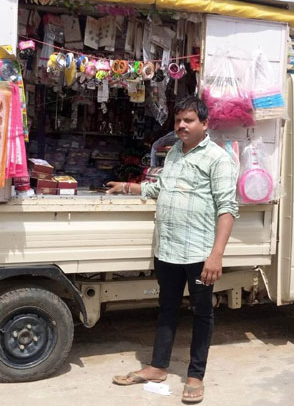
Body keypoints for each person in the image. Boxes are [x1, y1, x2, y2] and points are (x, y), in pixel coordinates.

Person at [108, 95, 238, 403]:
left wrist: (216, 254)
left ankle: (195, 375)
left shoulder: (217, 159)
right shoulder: (175, 153)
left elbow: (228, 208)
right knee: (166, 308)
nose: (181, 125)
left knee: (202, 313)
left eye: (188, 120)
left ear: (204, 124)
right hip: (167, 248)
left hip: (199, 253)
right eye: (178, 119)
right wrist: (129, 187)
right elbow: (162, 188)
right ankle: (157, 367)